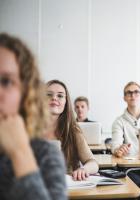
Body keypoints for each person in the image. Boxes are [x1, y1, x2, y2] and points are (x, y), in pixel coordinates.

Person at [0, 33, 66, 199]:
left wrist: (21, 153)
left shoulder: (45, 154)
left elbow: (90, 162)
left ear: (26, 92)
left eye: (7, 81)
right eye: (50, 95)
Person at [46, 80, 99, 181]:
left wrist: (84, 169)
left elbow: (93, 163)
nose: (54, 98)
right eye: (48, 95)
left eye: (60, 96)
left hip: (68, 188)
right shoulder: (29, 130)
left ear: (66, 102)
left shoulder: (73, 131)